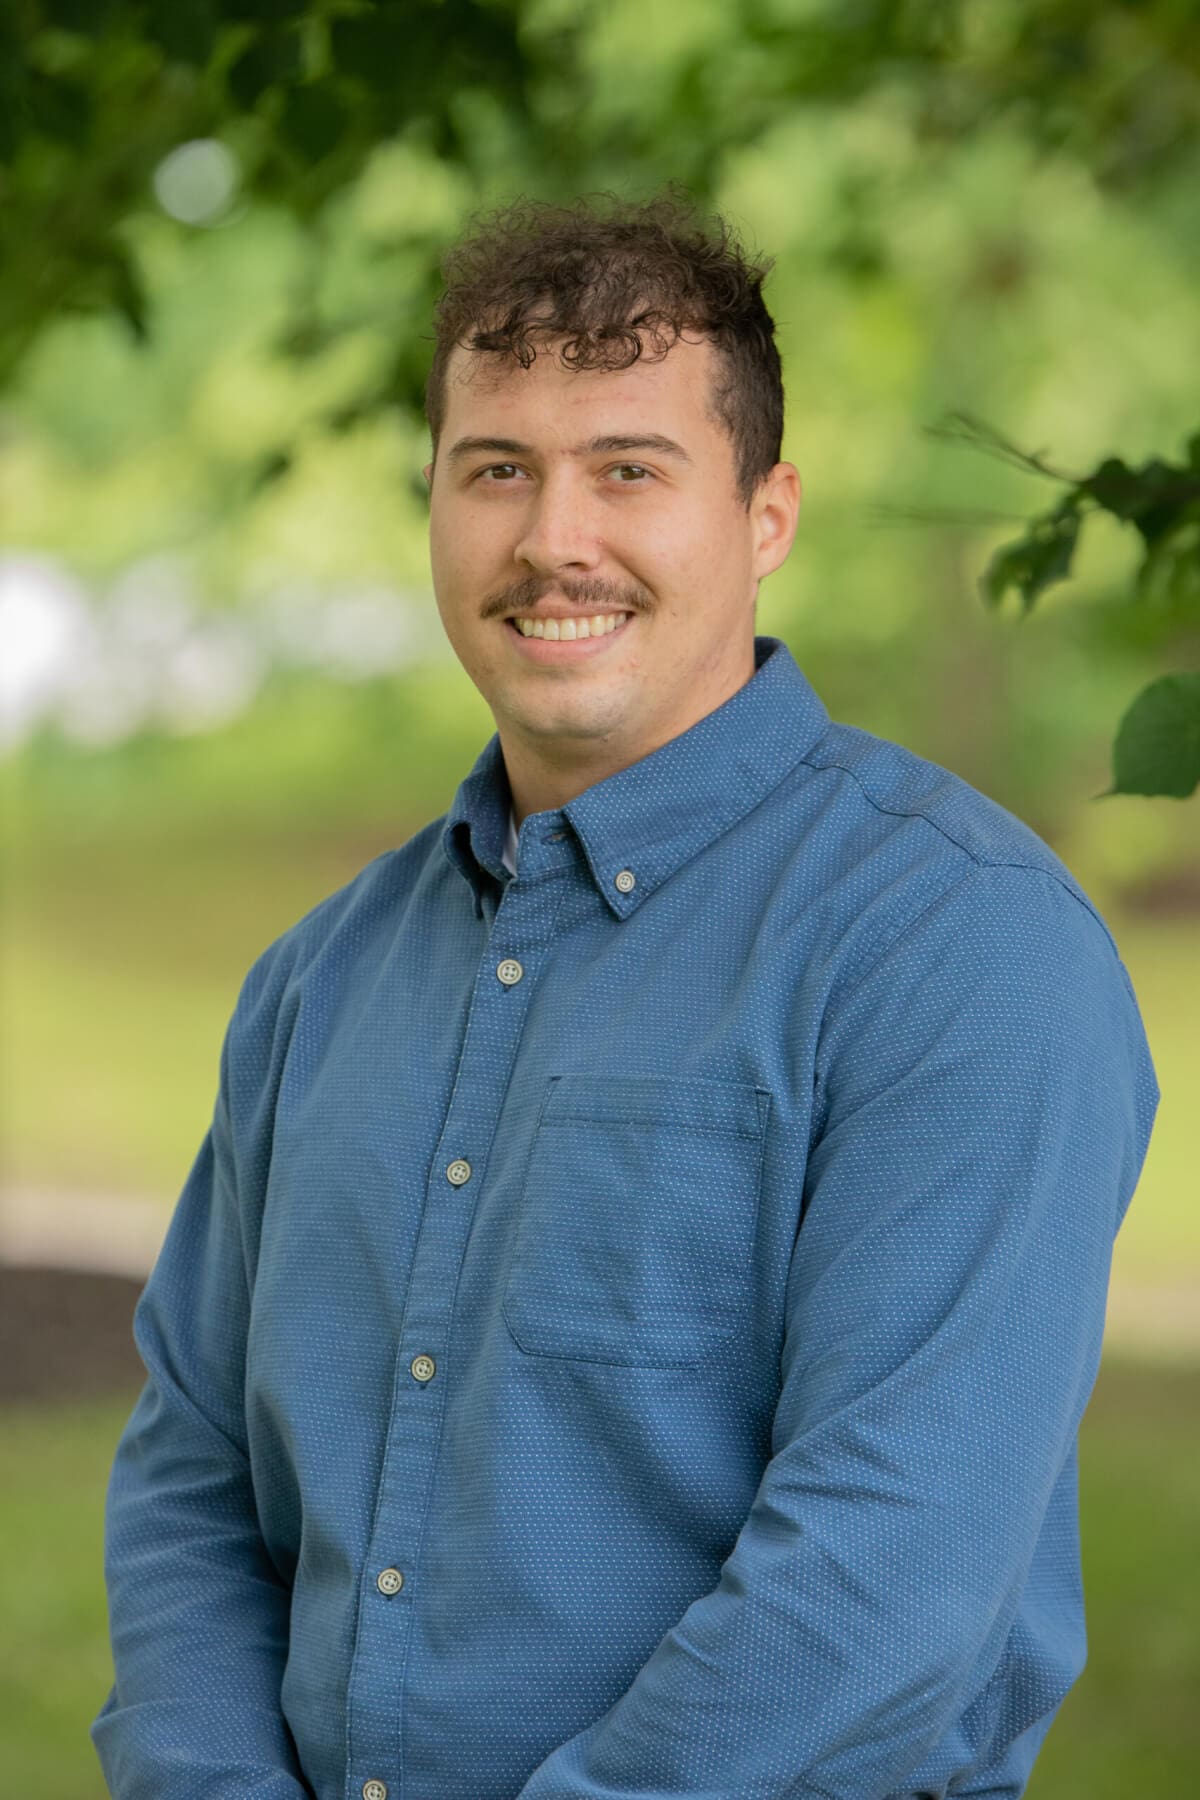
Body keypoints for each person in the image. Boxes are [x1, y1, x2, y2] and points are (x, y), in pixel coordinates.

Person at [92, 192, 1159, 1800]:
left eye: (630, 470)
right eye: (496, 468)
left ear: (767, 513)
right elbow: (191, 1468)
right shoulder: (319, 978)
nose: (551, 540)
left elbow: (888, 1572)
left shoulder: (962, 950)